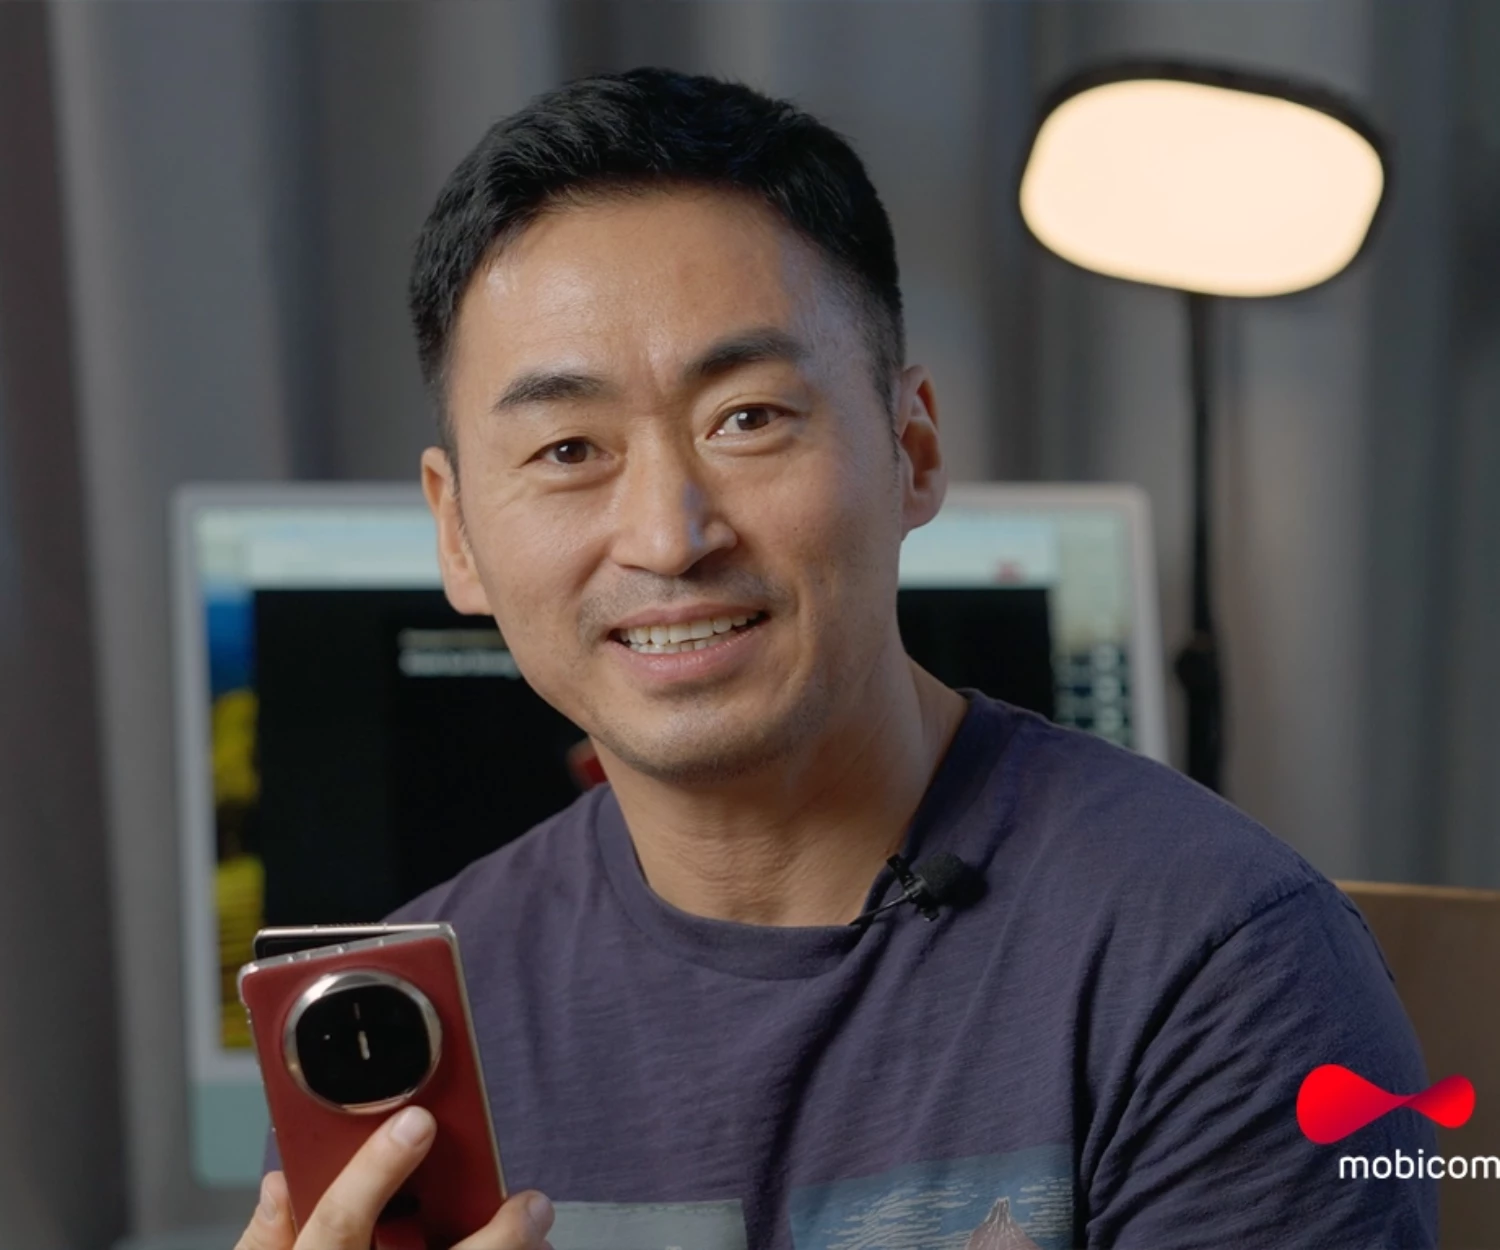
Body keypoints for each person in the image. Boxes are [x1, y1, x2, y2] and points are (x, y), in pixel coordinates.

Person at [237, 67, 1437, 1250]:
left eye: (748, 418)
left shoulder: (1220, 962)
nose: (668, 536)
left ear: (913, 448)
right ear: (455, 531)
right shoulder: (406, 1023)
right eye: (567, 449)